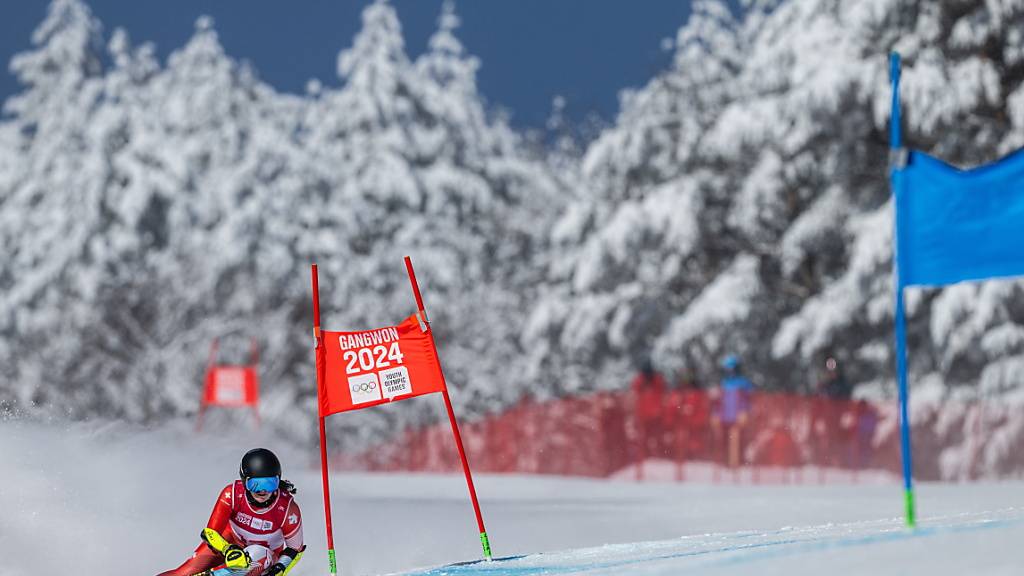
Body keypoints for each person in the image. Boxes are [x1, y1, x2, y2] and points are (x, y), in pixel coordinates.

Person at [158, 448, 305, 576]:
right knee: (184, 572)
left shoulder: (288, 509)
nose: (262, 491)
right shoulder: (232, 494)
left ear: (278, 482)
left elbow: (295, 549)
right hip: (227, 544)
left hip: (265, 556)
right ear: (244, 481)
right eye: (255, 484)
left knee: (254, 554)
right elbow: (210, 533)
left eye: (269, 483)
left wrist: (279, 568)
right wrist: (228, 550)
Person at [711, 355, 754, 468]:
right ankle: (727, 461)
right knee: (726, 440)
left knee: (739, 440)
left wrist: (745, 412)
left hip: (738, 417)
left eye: (732, 368)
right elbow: (718, 402)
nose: (729, 371)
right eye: (727, 368)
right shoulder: (723, 383)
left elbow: (747, 400)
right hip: (725, 418)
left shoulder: (743, 383)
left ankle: (739, 461)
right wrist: (716, 414)